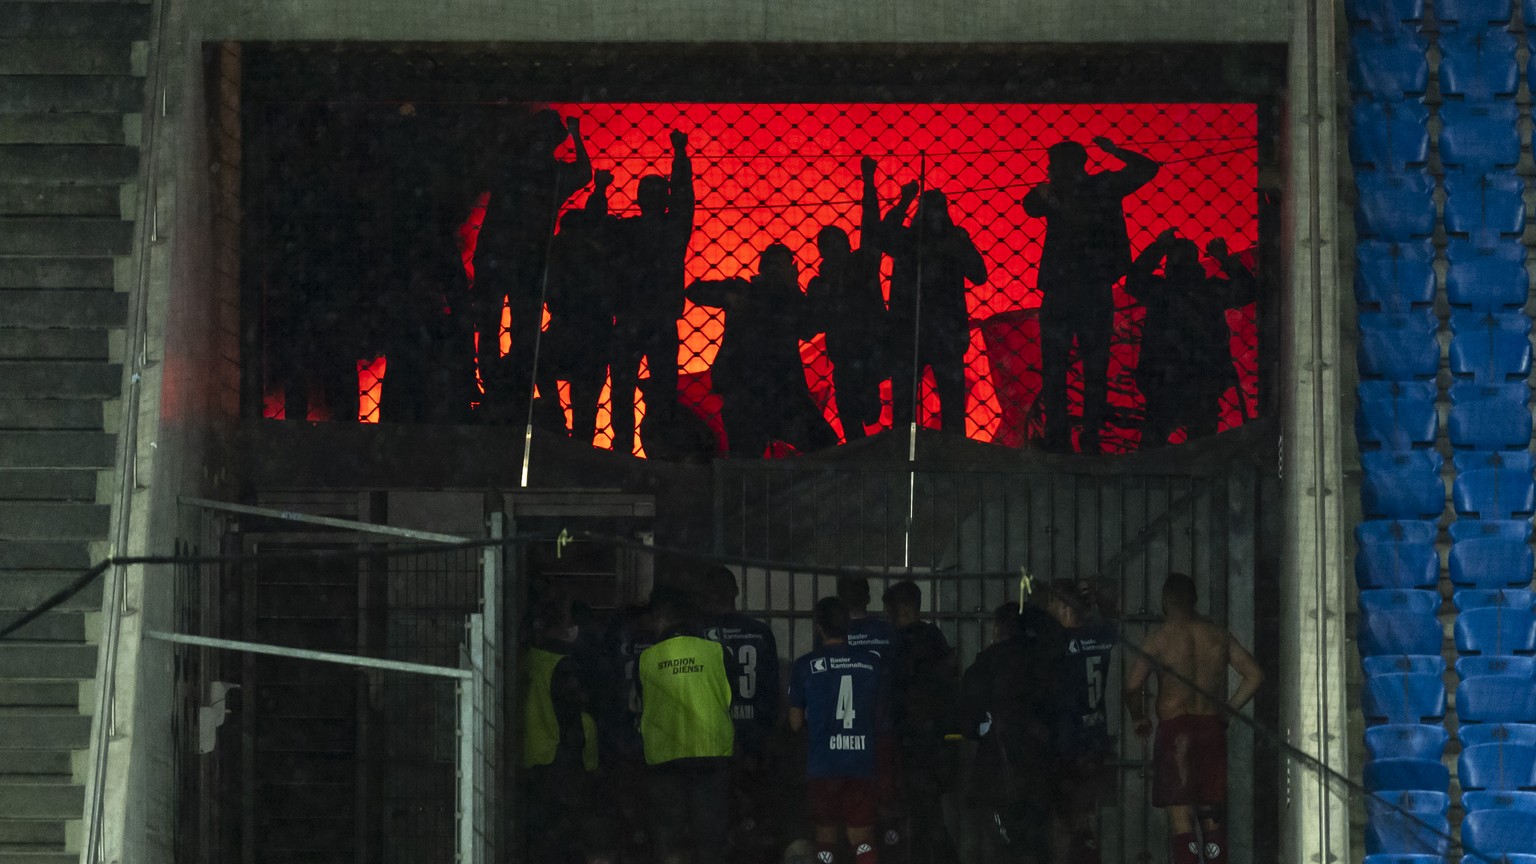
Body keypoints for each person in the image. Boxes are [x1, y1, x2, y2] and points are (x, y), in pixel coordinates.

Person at [1022, 137, 1159, 454]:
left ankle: (1063, 436)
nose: (1050, 169)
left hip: (1064, 289)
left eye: (1053, 164)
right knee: (1093, 367)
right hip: (1093, 287)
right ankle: (1090, 436)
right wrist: (1115, 152)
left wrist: (1048, 194)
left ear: (1065, 165)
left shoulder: (1076, 188)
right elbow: (1146, 169)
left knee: (1057, 366)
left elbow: (1030, 205)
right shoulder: (1104, 185)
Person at [1123, 573, 1263, 864]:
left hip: (1176, 733)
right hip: (1211, 729)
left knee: (1181, 818)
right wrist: (1229, 708)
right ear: (1194, 599)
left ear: (1164, 601)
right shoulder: (1217, 635)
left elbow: (1133, 686)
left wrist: (1138, 718)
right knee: (1212, 817)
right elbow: (1254, 675)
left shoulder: (1159, 639)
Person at [474, 110, 592, 425]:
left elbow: (582, 174)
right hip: (523, 260)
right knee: (515, 328)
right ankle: (510, 384)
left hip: (503, 258)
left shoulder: (514, 169)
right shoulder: (547, 174)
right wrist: (577, 136)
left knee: (498, 325)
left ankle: (499, 385)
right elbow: (584, 173)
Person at [686, 243, 838, 456]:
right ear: (762, 268)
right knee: (746, 460)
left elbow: (809, 327)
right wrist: (728, 296)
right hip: (748, 390)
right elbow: (695, 291)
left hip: (780, 391)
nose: (775, 270)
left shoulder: (790, 299)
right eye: (772, 264)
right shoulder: (743, 290)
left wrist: (794, 287)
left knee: (824, 444)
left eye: (781, 264)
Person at [807, 157, 912, 441]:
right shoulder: (823, 282)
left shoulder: (860, 266)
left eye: (838, 244)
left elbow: (871, 227)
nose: (835, 251)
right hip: (851, 358)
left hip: (870, 354)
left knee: (865, 415)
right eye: (829, 247)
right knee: (855, 421)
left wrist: (870, 183)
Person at [1123, 230, 1257, 447]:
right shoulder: (1210, 291)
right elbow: (1248, 290)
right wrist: (1224, 258)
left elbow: (1133, 280)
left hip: (1164, 381)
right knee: (1202, 447)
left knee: (1152, 448)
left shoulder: (1160, 291)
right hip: (1201, 380)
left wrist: (1159, 247)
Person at [960, 603, 1064, 864]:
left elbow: (967, 718)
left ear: (998, 628)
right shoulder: (1045, 658)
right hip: (1041, 766)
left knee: (1001, 842)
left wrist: (982, 728)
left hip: (998, 768)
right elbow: (1059, 707)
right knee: (1039, 839)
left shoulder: (986, 662)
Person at [611, 129, 695, 455]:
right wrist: (680, 155)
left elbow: (684, 197)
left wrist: (679, 156)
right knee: (658, 390)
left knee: (630, 391)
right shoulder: (666, 230)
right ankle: (653, 449)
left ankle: (628, 450)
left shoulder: (627, 230)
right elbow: (685, 197)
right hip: (653, 320)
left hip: (636, 319)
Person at [637, 586, 735, 864]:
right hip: (710, 754)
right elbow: (730, 695)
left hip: (664, 758)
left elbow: (642, 700)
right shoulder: (717, 651)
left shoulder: (646, 659)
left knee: (669, 837)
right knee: (710, 839)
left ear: (662, 618)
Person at [789, 596, 886, 864]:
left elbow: (795, 722)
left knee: (825, 837)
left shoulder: (804, 665)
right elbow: (880, 714)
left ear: (818, 627)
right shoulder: (871, 664)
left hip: (822, 763)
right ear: (848, 627)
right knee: (863, 840)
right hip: (860, 762)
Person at [885, 189, 987, 433]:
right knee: (918, 406)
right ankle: (932, 456)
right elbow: (883, 234)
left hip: (930, 333)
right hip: (927, 333)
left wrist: (904, 202)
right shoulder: (910, 240)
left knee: (920, 406)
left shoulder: (915, 241)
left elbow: (979, 274)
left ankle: (916, 456)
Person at [701, 566, 784, 863]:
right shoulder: (759, 632)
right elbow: (772, 691)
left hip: (710, 741)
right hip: (753, 738)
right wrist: (764, 738)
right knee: (754, 817)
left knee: (712, 821)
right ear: (736, 592)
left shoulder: (698, 634)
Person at [882, 580, 961, 864]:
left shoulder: (899, 643)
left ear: (900, 609)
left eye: (890, 612)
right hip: (937, 743)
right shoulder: (935, 638)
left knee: (920, 818)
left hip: (912, 744)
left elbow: (895, 694)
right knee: (929, 815)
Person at [520, 594, 601, 864]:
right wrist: (589, 763)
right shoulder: (563, 665)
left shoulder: (526, 659)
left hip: (532, 757)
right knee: (564, 835)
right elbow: (575, 720)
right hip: (560, 759)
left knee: (540, 836)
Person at [545, 169, 622, 443]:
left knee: (579, 394)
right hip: (591, 333)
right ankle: (576, 441)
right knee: (586, 401)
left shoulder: (561, 250)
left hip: (576, 329)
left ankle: (558, 423)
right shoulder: (593, 252)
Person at [1046, 579, 1119, 864]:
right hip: (1095, 740)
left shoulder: (1057, 643)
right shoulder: (1100, 635)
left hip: (1066, 742)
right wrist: (1100, 598)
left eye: (1052, 603)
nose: (1048, 610)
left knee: (1061, 821)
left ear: (1064, 607)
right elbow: (1115, 618)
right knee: (1084, 818)